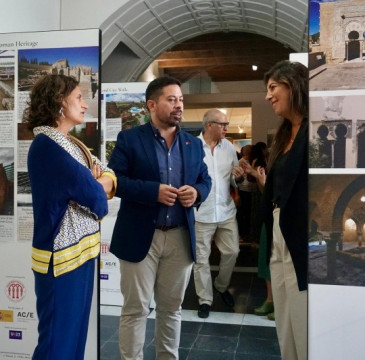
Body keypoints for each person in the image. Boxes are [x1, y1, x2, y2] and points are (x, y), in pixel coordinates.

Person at [108, 76, 211, 359]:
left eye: (181, 100)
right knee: (136, 309)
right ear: (152, 105)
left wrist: (197, 193)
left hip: (179, 237)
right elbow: (114, 180)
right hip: (141, 236)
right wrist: (152, 192)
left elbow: (205, 179)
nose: (178, 105)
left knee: (171, 310)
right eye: (171, 99)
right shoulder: (129, 139)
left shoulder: (192, 143)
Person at [24, 74, 116, 360]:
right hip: (61, 260)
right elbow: (98, 200)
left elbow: (108, 175)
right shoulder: (49, 147)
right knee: (57, 345)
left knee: (73, 341)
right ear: (58, 102)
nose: (85, 104)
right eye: (78, 97)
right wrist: (96, 185)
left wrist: (97, 183)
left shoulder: (70, 144)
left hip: (79, 255)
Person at [261, 60, 308, 360]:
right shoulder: (282, 135)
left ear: (293, 85)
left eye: (273, 88)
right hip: (277, 229)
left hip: (302, 232)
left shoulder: (316, 131)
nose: (268, 96)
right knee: (284, 315)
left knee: (302, 314)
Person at [193, 108, 243, 319]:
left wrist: (238, 178)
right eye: (222, 124)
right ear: (209, 125)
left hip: (225, 210)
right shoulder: (193, 147)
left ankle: (221, 286)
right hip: (201, 213)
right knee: (201, 259)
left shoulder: (229, 148)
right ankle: (205, 299)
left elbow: (234, 178)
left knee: (233, 251)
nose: (226, 128)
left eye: (226, 124)